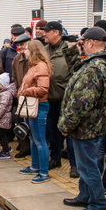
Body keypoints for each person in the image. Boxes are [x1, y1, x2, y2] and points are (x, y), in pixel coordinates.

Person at [58, 27, 106, 210]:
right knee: (89, 165)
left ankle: (97, 205)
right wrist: (71, 49)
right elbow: (77, 68)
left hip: (86, 126)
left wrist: (65, 125)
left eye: (83, 42)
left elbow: (80, 102)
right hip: (94, 124)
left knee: (88, 168)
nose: (82, 45)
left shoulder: (94, 68)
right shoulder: (99, 63)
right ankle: (85, 196)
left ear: (91, 43)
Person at [40, 21, 80, 176]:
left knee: (68, 133)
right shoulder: (44, 50)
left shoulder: (68, 50)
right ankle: (55, 158)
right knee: (52, 131)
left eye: (47, 31)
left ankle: (74, 165)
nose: (44, 34)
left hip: (65, 99)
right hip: (49, 98)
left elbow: (76, 72)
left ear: (56, 32)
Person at [18, 40, 52, 183]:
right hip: (31, 107)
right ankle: (35, 166)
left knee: (39, 140)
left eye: (26, 49)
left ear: (33, 51)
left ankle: (44, 173)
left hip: (38, 106)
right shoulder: (33, 66)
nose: (24, 51)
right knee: (33, 139)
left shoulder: (41, 67)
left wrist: (25, 91)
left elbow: (43, 89)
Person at [0, 73, 16, 159]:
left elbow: (2, 108)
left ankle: (6, 151)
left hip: (3, 119)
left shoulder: (5, 95)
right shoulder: (2, 93)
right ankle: (6, 148)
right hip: (1, 119)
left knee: (2, 135)